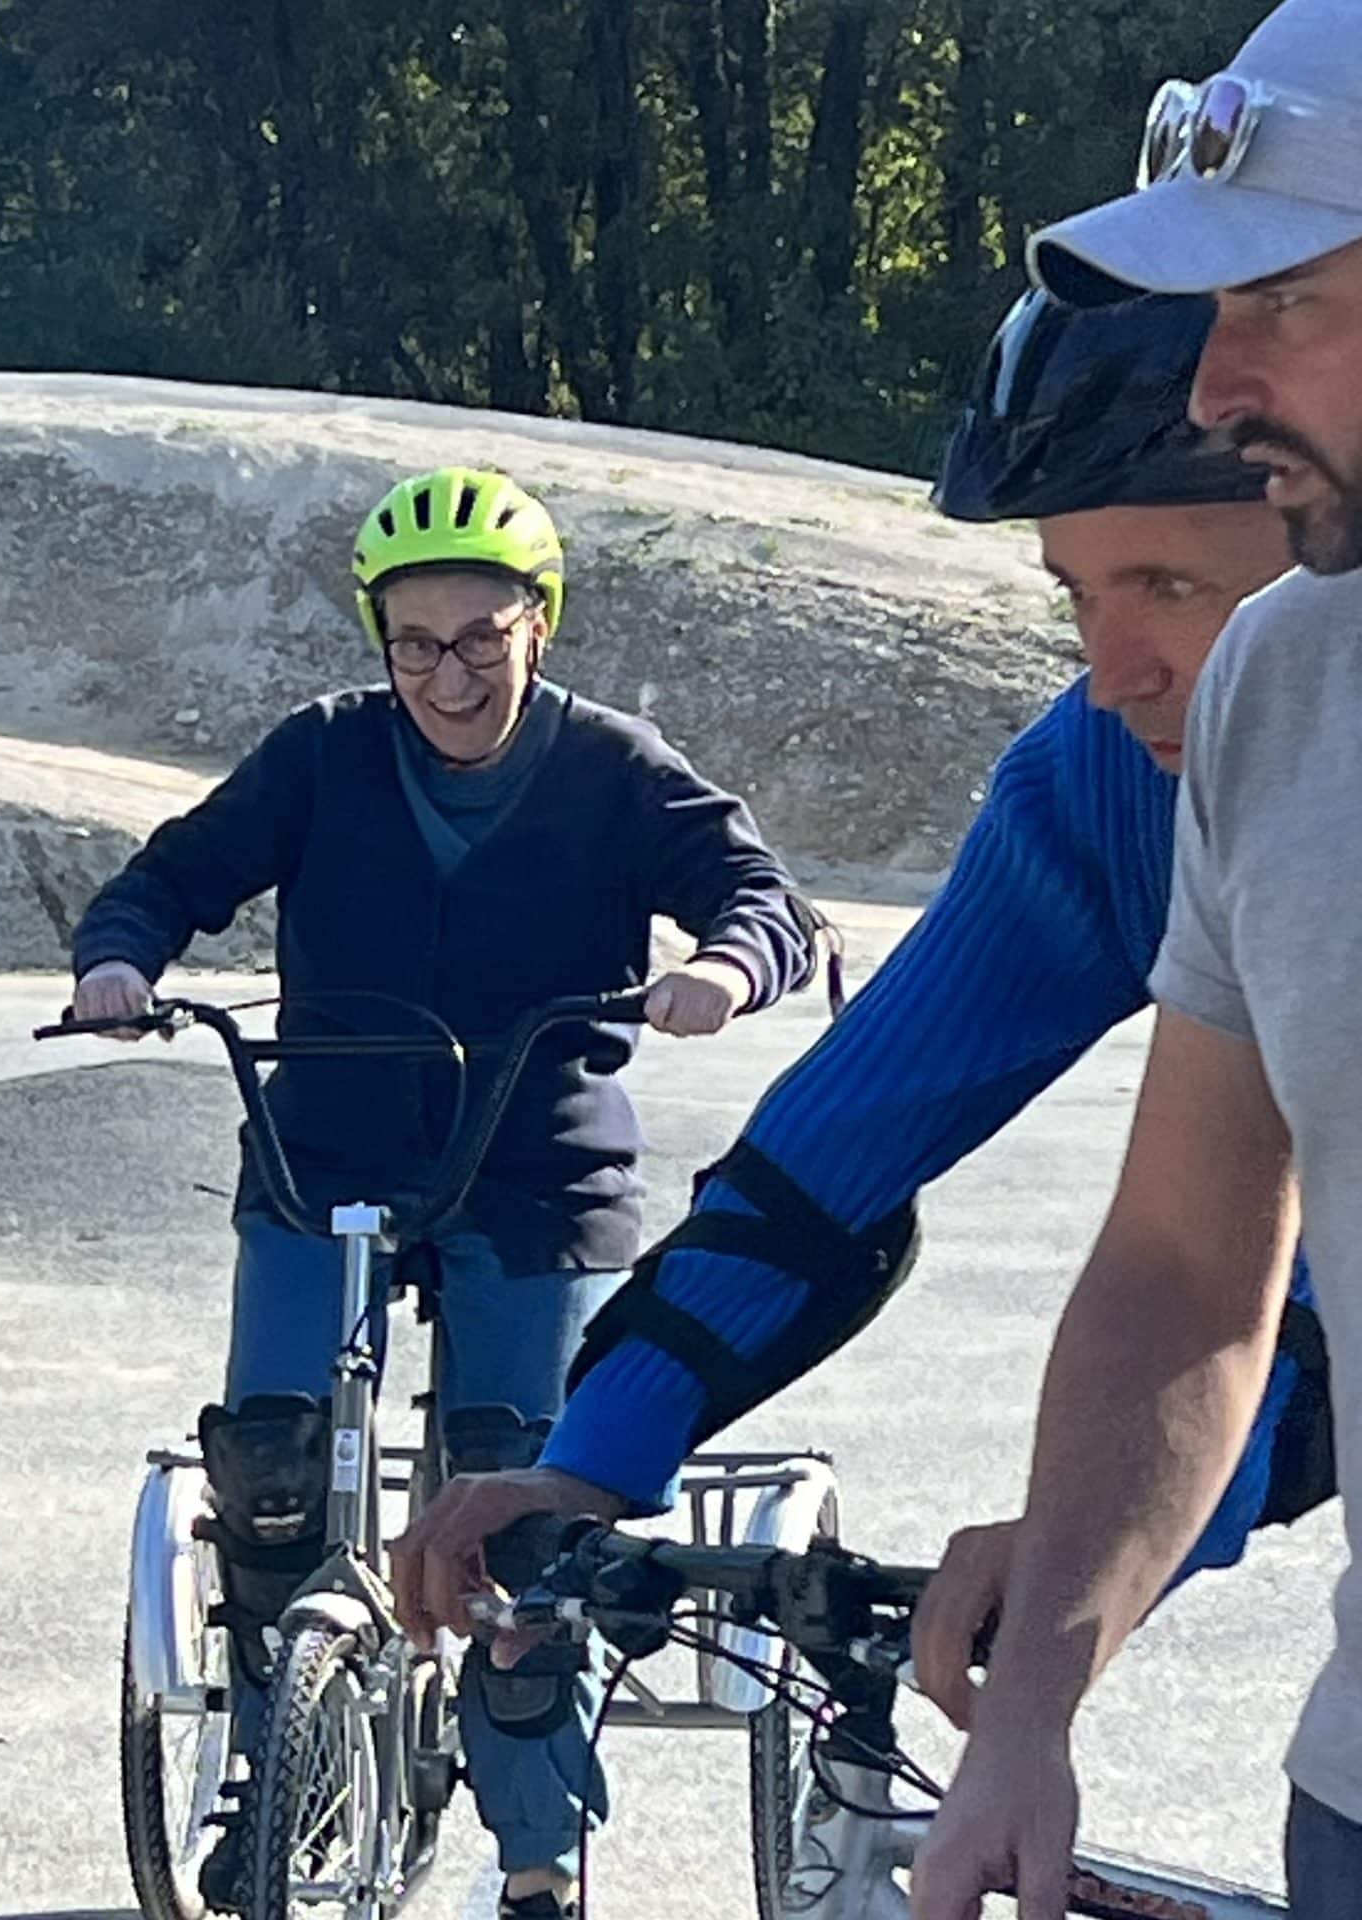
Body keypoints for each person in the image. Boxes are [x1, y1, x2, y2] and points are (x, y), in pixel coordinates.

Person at [383, 289, 1335, 1689]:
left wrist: (1109, 1545)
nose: (1109, 668)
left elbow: (1324, 1284)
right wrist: (589, 1462)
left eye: (1170, 590)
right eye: (1078, 594)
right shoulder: (1100, 779)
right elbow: (829, 1161)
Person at [67, 466, 819, 1918]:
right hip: (326, 1148)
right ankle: (290, 1767)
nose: (448, 675)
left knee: (521, 1524)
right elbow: (171, 877)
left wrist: (725, 971)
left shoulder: (612, 765)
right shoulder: (323, 757)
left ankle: (536, 1860)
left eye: (481, 638)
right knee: (271, 1463)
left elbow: (760, 894)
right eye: (414, 644)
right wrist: (119, 960)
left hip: (538, 1167)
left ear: (540, 626)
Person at [907, 2, 1362, 1909]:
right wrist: (1036, 1709)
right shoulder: (1284, 682)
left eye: (1285, 303)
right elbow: (1189, 1268)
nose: (1211, 383)